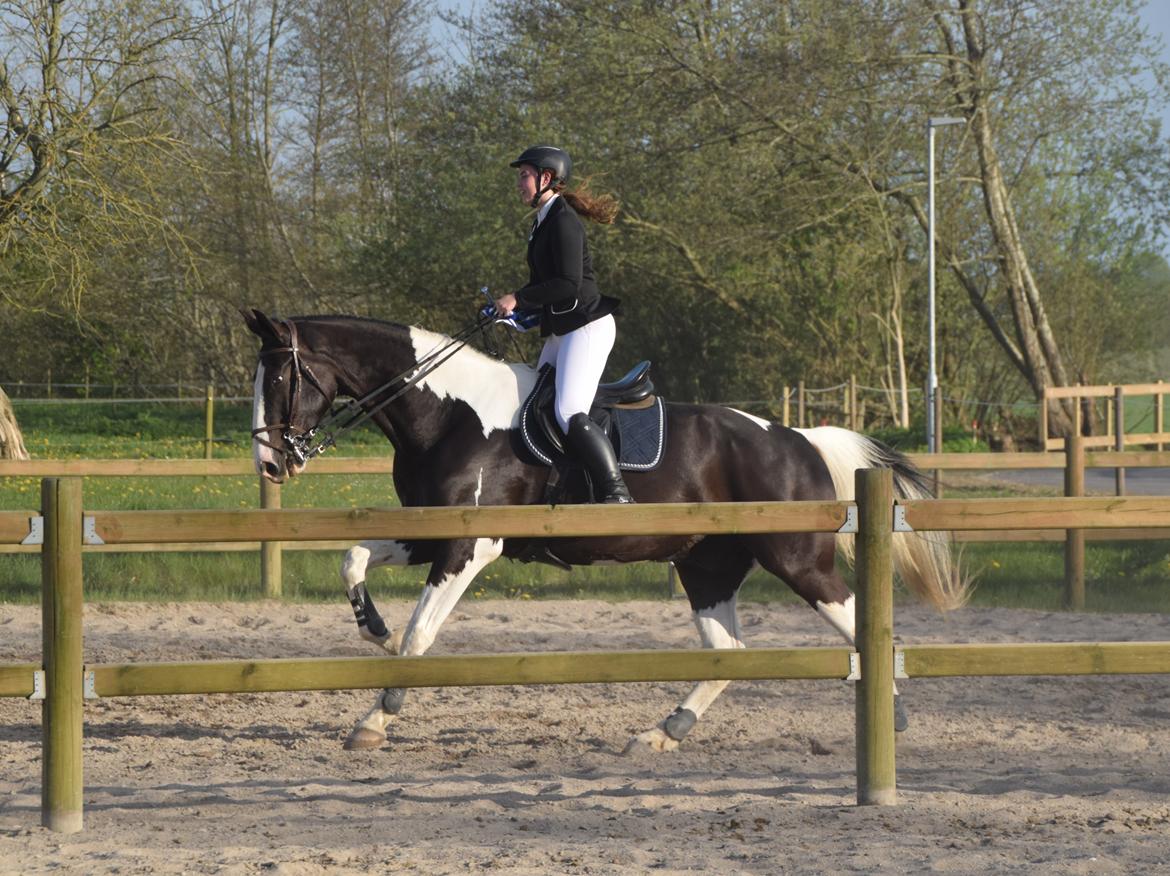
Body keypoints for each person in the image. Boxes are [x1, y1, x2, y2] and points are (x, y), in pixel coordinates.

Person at [493, 145, 634, 504]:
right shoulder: (543, 222)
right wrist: (521, 317)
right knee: (530, 400)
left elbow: (568, 284)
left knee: (568, 410)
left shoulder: (563, 221)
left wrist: (518, 298)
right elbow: (549, 289)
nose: (518, 184)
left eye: (523, 175)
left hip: (587, 328)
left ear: (545, 178)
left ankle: (616, 491)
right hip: (563, 328)